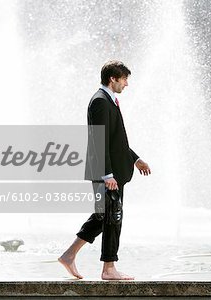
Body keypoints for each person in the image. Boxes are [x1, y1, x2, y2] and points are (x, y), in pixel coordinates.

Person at [58, 60, 151, 280]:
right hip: (107, 174)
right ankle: (108, 269)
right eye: (124, 79)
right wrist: (107, 174)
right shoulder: (100, 102)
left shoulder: (110, 101)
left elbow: (115, 140)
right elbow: (98, 140)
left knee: (104, 216)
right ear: (113, 78)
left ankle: (69, 255)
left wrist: (135, 159)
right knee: (112, 217)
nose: (126, 84)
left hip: (113, 172)